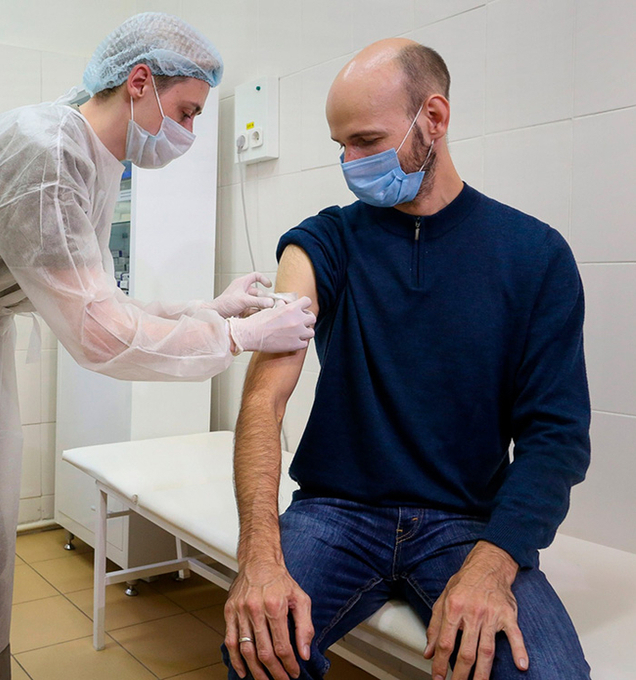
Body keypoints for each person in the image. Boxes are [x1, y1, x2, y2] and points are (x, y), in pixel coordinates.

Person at [0, 13, 317, 680]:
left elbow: (93, 299)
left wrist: (209, 309)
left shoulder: (90, 158)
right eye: (186, 111)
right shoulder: (44, 148)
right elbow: (96, 333)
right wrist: (236, 336)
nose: (190, 132)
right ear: (139, 82)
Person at [222, 38, 591, 680]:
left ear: (435, 119)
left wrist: (493, 561)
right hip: (336, 512)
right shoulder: (323, 242)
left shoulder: (534, 257)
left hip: (467, 523)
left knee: (551, 675)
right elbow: (263, 400)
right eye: (341, 145)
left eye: (366, 140)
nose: (350, 162)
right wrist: (257, 554)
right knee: (256, 652)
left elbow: (556, 439)